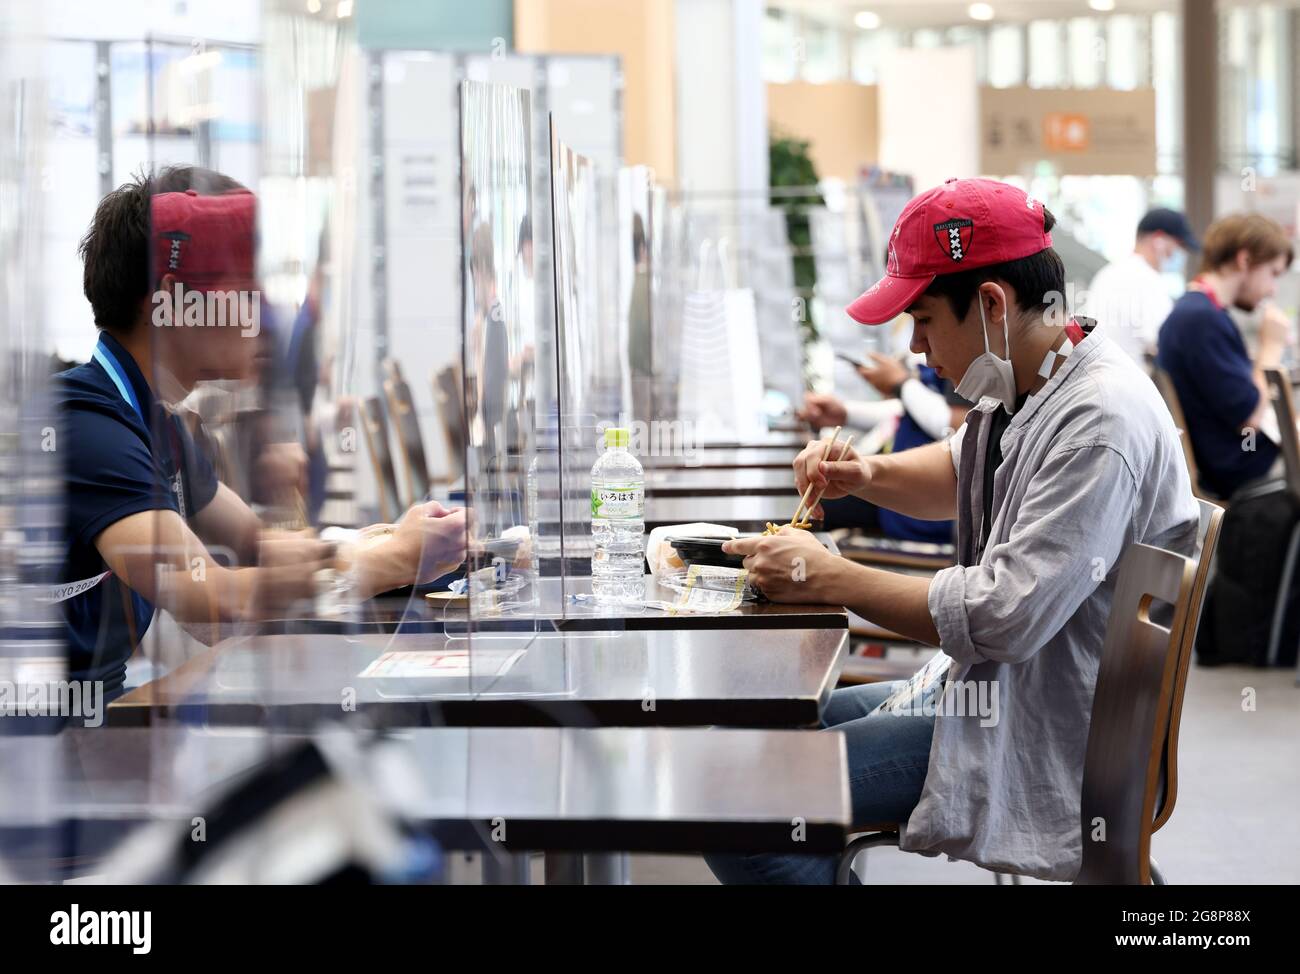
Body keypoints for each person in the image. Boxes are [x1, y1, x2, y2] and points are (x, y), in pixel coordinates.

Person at [709, 177, 1199, 884]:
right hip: (990, 691)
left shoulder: (1101, 419)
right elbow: (960, 468)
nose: (914, 347)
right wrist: (866, 477)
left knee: (742, 804)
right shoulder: (1036, 380)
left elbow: (1004, 616)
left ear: (993, 303)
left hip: (1045, 724)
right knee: (770, 737)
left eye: (926, 319)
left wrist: (828, 576)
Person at [56, 171, 469, 705]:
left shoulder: (157, 423)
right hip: (48, 748)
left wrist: (398, 538)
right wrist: (395, 560)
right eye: (238, 287)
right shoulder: (89, 426)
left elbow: (260, 546)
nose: (258, 310)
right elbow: (211, 603)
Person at [1156, 212, 1295, 499]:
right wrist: (1272, 346)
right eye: (1273, 273)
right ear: (1245, 260)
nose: (1272, 289)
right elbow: (1249, 418)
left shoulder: (1198, 312)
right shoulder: (1200, 319)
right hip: (1239, 471)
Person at [799, 354, 968, 543]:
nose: (916, 343)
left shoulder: (972, 360)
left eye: (925, 322)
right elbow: (910, 412)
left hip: (924, 508)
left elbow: (955, 426)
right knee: (810, 496)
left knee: (812, 511)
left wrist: (902, 384)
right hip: (906, 493)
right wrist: (847, 414)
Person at [1084, 207, 1197, 366]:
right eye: (1178, 246)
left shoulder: (1107, 274)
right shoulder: (1148, 280)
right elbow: (1168, 343)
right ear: (1158, 240)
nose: (1179, 254)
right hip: (1127, 381)